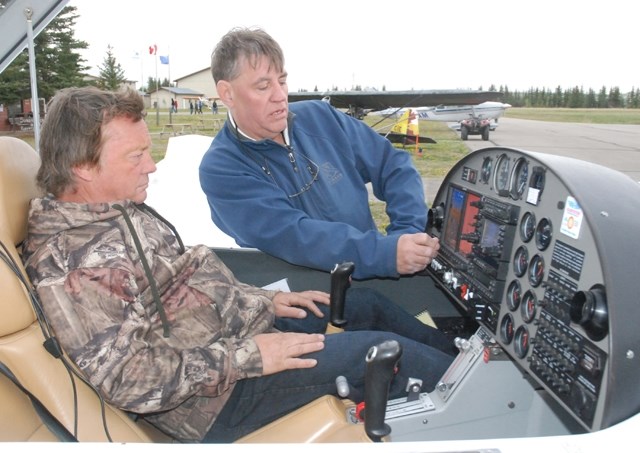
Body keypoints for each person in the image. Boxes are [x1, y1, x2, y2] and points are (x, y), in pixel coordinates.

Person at [21, 86, 455, 443]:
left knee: (363, 306)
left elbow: (186, 290)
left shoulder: (116, 211)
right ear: (82, 168)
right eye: (135, 157)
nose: (151, 166)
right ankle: (492, 404)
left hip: (232, 340)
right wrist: (250, 355)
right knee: (382, 354)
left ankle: (471, 366)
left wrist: (265, 302)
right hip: (213, 400)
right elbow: (129, 378)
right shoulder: (74, 263)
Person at [199, 27, 441, 280]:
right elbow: (295, 236)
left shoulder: (321, 118)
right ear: (227, 94)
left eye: (282, 81)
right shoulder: (222, 168)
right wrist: (382, 254)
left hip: (372, 276)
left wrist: (407, 233)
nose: (280, 96)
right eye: (263, 87)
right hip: (305, 297)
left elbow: (392, 164)